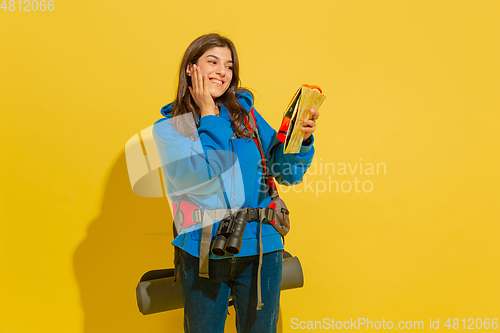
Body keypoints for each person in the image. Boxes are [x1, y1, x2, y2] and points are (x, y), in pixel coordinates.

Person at [153, 33, 319, 333]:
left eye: (229, 66)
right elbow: (204, 182)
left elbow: (286, 173)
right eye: (212, 62)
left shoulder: (248, 117)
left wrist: (301, 140)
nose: (222, 71)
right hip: (202, 252)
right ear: (190, 69)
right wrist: (208, 115)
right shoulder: (171, 128)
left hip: (262, 249)